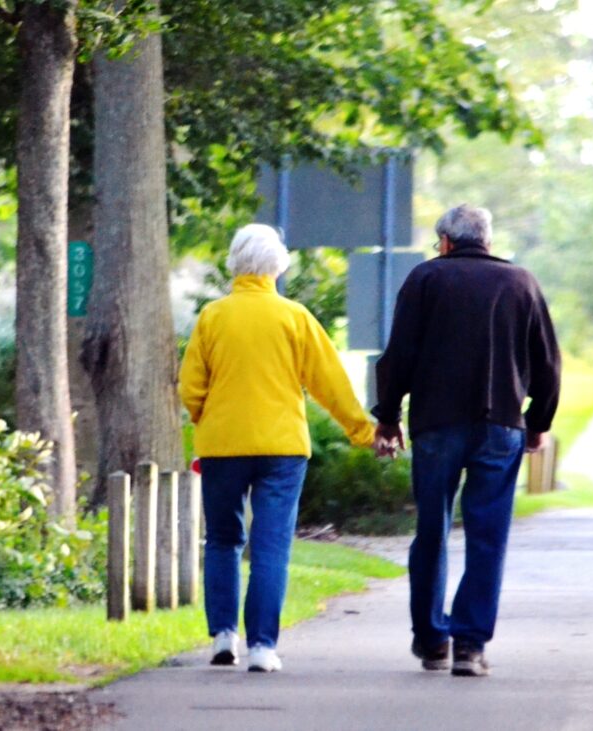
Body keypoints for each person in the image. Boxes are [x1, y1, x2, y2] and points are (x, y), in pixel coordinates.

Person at [372, 204, 561, 677]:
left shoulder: (426, 280)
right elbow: (547, 363)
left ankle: (432, 639)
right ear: (489, 241)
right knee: (487, 536)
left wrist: (390, 416)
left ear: (446, 242)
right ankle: (470, 646)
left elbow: (399, 355)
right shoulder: (521, 283)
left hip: (436, 425)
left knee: (432, 531)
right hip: (500, 424)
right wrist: (538, 421)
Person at [179, 224, 375, 673]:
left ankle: (223, 636)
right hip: (283, 448)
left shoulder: (213, 317)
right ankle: (263, 647)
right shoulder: (295, 317)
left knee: (223, 540)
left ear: (234, 261)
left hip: (223, 446)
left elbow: (191, 387)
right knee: (271, 545)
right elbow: (331, 384)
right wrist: (361, 431)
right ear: (277, 265)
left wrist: (204, 417)